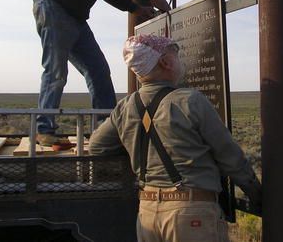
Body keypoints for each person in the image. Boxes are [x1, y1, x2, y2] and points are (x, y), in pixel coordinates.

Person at [89, 34, 262, 242]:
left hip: (147, 212)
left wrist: (134, 153)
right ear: (166, 62)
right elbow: (229, 157)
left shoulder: (125, 107)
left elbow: (97, 146)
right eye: (175, 56)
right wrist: (256, 193)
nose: (180, 62)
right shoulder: (190, 101)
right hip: (191, 212)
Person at [32, 0, 170, 146]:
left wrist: (136, 8)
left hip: (75, 17)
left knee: (98, 70)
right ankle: (44, 129)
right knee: (56, 70)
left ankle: (105, 130)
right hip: (54, 8)